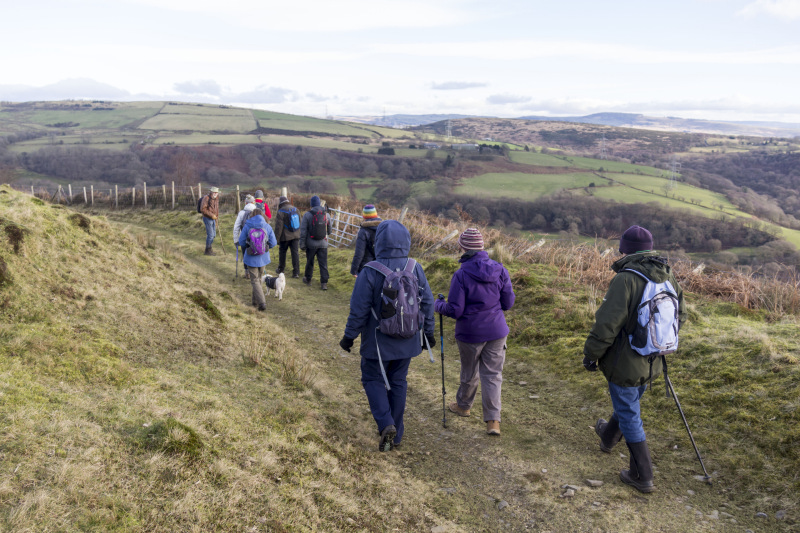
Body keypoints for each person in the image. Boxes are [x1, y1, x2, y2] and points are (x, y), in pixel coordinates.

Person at [583, 225, 686, 493]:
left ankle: (643, 475)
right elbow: (680, 316)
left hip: (625, 360)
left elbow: (606, 325)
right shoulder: (667, 276)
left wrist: (590, 355)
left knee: (629, 412)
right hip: (654, 359)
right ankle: (607, 436)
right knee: (628, 401)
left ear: (624, 249)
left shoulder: (625, 279)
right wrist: (656, 340)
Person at [339, 220, 435, 451]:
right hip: (409, 338)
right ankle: (397, 435)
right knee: (398, 381)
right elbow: (428, 302)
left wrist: (349, 336)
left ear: (379, 241)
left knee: (373, 379)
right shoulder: (415, 267)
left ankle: (385, 424)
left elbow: (359, 309)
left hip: (377, 341)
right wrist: (428, 333)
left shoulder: (370, 270)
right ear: (406, 240)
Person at [434, 228, 515, 436]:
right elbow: (508, 302)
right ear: (481, 247)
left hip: (470, 333)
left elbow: (455, 310)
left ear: (463, 248)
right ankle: (493, 422)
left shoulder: (461, 274)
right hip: (497, 331)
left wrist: (438, 305)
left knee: (470, 372)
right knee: (493, 375)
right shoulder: (500, 269)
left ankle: (463, 406)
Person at [238, 208, 278, 311]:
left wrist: (249, 245)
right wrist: (265, 247)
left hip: (251, 258)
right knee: (258, 279)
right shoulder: (267, 226)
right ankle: (254, 302)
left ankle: (261, 303)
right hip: (263, 258)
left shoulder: (247, 225)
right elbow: (273, 242)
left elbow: (241, 242)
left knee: (255, 281)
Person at [300, 195, 331, 290]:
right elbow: (329, 231)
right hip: (323, 244)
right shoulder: (326, 214)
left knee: (310, 262)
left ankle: (308, 279)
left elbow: (303, 231)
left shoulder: (307, 215)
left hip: (311, 244)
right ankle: (324, 283)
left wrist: (302, 244)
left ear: (311, 205)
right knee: (323, 263)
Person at [273, 195, 301, 279]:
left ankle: (281, 269)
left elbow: (279, 227)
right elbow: (300, 222)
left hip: (285, 237)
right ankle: (296, 272)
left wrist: (276, 239)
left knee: (282, 252)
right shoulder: (296, 209)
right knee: (295, 253)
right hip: (296, 235)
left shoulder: (281, 212)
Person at [350, 204, 382, 277]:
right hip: (382, 265)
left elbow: (359, 253)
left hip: (367, 266)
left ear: (364, 216)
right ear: (376, 214)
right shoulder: (384, 228)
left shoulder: (363, 231)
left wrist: (354, 270)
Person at [233, 194, 256, 277]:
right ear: (254, 202)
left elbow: (236, 227)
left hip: (244, 238)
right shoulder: (257, 212)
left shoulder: (241, 213)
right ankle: (255, 272)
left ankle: (247, 272)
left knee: (245, 254)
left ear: (245, 203)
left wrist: (236, 240)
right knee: (255, 253)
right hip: (256, 238)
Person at [200, 186, 220, 255]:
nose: (215, 193)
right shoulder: (206, 198)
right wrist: (212, 215)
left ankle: (209, 248)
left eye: (216, 192)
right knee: (211, 235)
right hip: (207, 218)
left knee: (213, 235)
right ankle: (207, 250)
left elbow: (216, 210)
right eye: (214, 192)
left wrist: (216, 218)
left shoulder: (216, 199)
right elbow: (203, 209)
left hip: (214, 219)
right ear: (211, 192)